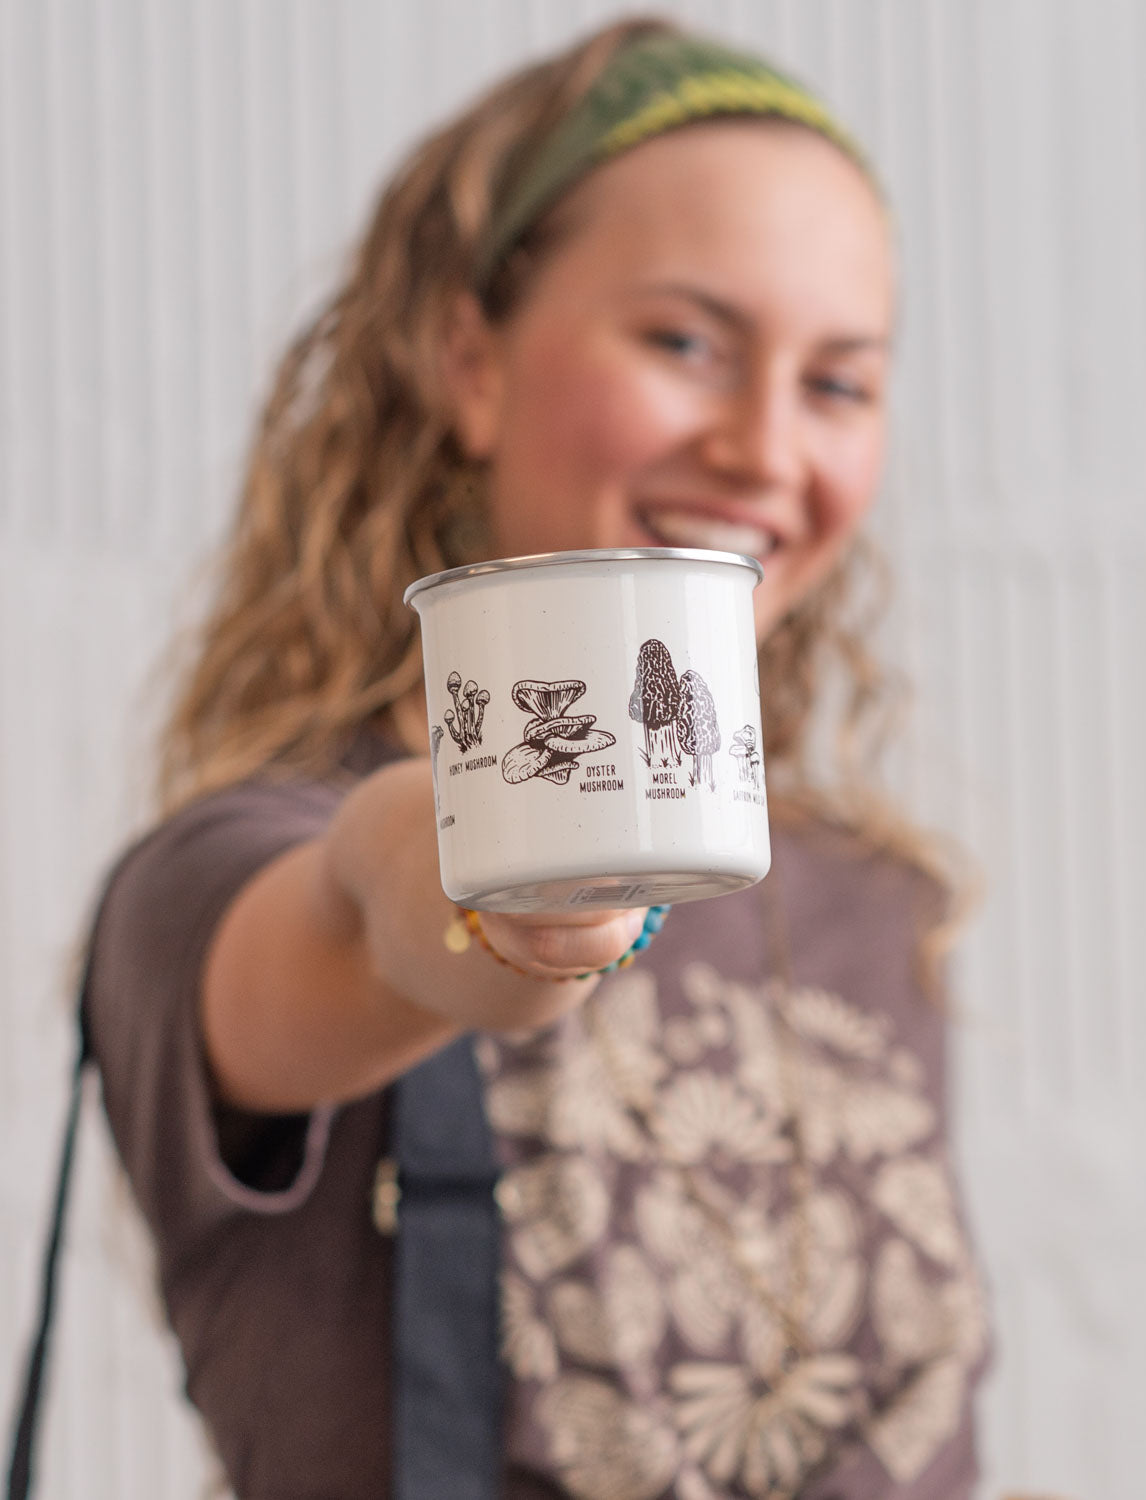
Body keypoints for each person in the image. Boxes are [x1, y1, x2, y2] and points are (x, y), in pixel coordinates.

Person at [73, 16, 990, 1500]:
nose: (768, 446)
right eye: (686, 340)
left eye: (839, 381)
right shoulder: (217, 883)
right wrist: (497, 894)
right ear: (468, 360)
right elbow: (365, 911)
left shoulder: (866, 908)